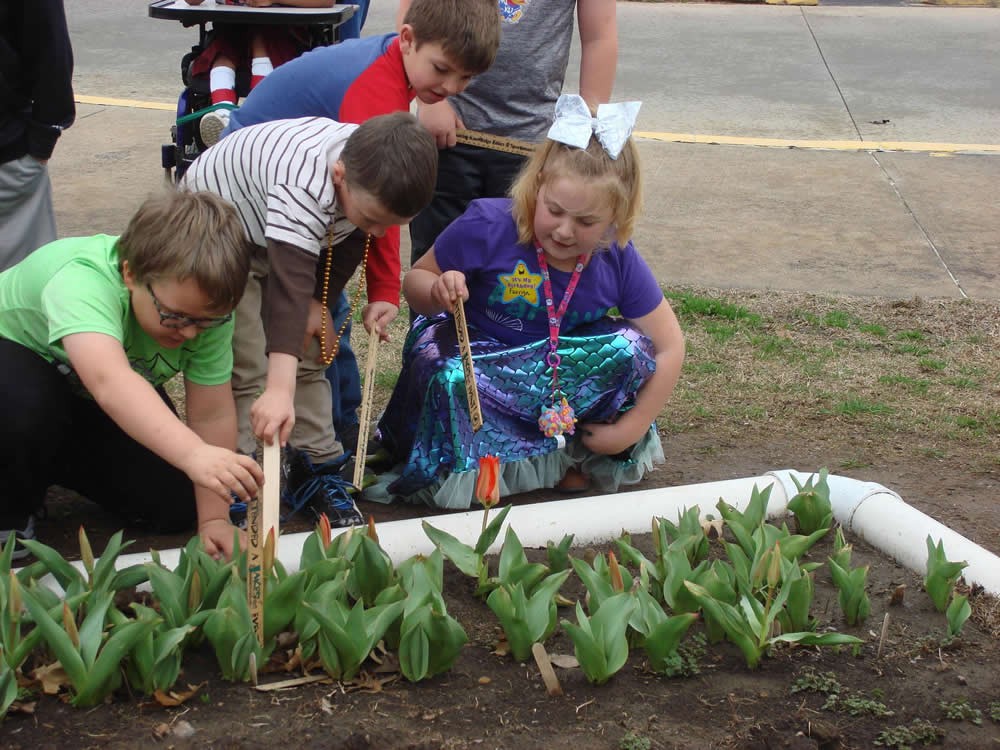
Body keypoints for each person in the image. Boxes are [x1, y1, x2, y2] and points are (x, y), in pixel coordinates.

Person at [374, 95, 685, 509]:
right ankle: (471, 469)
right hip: (483, 359)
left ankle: (572, 455)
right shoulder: (487, 223)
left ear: (616, 218)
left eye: (587, 222)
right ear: (536, 187)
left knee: (630, 347)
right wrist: (436, 290)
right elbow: (416, 279)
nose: (564, 231)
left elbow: (669, 346)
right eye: (554, 210)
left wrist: (631, 427)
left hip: (557, 370)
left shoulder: (617, 257)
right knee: (446, 374)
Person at [217, 0, 501, 451]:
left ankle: (329, 432)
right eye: (443, 70)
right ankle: (272, 445)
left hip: (314, 199)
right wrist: (372, 290)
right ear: (407, 39)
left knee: (321, 318)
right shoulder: (375, 95)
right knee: (278, 327)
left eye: (464, 79)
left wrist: (364, 292)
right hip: (244, 206)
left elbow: (367, 220)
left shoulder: (395, 65)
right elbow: (372, 208)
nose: (449, 87)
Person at [180, 113, 438, 527]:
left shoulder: (370, 180)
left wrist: (321, 301)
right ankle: (243, 475)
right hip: (222, 234)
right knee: (248, 360)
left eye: (390, 225)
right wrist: (278, 390)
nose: (378, 229)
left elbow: (354, 237)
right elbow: (287, 289)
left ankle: (314, 468)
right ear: (339, 175)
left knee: (311, 349)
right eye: (373, 218)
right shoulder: (304, 183)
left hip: (280, 232)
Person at [0, 191, 264, 561]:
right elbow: (111, 382)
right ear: (130, 273)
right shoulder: (82, 281)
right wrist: (193, 454)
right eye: (175, 316)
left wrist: (214, 519)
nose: (189, 333)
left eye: (205, 322)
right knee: (22, 406)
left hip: (82, 398)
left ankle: (48, 463)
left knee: (174, 502)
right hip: (18, 374)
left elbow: (211, 413)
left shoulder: (206, 311)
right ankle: (9, 513)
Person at [399, 0, 618, 276]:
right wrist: (429, 101)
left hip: (532, 142)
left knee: (517, 269)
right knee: (436, 263)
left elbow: (600, 35)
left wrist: (587, 126)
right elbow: (414, 10)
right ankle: (438, 322)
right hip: (450, 131)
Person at [182, 0, 336, 146]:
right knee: (223, 52)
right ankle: (223, 116)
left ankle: (257, 119)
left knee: (261, 40)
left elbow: (327, 2)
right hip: (232, 32)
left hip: (283, 36)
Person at [0, 0, 75, 272]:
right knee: (18, 291)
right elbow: (51, 50)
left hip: (8, 159)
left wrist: (42, 140)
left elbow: (51, 54)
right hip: (10, 154)